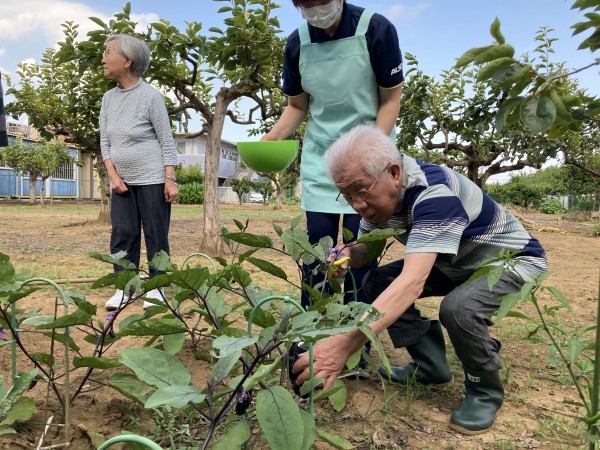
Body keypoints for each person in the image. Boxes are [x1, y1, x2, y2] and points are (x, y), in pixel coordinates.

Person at [292, 125, 548, 435]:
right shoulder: (381, 201)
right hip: (455, 263)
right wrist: (346, 254)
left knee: (459, 309)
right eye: (346, 195)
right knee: (376, 281)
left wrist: (344, 345)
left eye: (361, 190)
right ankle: (430, 365)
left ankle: (484, 391)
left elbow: (412, 282)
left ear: (394, 172)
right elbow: (367, 251)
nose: (356, 205)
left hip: (511, 261)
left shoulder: (434, 194)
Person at [262, 0, 404, 313]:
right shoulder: (297, 43)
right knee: (316, 255)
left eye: (322, 1)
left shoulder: (376, 29)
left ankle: (356, 330)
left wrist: (373, 149)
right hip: (321, 161)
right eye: (306, 3)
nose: (316, 8)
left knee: (360, 252)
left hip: (369, 162)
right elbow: (297, 106)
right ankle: (312, 327)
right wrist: (272, 137)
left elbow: (390, 100)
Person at [99, 34, 178, 310]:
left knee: (156, 233)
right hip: (121, 180)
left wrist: (170, 179)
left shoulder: (151, 97)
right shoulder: (108, 99)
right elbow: (105, 141)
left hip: (153, 178)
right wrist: (112, 175)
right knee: (122, 234)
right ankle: (125, 288)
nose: (103, 59)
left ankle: (158, 289)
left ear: (128, 60)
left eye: (109, 52)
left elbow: (166, 140)